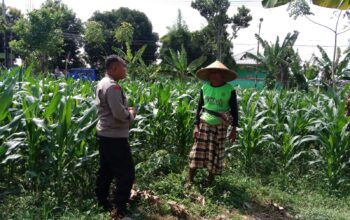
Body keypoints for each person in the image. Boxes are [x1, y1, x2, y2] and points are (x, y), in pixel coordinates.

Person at [95, 55, 136, 217]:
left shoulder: (102, 83)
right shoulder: (112, 87)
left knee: (106, 170)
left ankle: (102, 201)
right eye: (123, 67)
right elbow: (119, 114)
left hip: (105, 134)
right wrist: (131, 114)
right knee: (127, 173)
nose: (125, 70)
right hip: (114, 136)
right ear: (114, 69)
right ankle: (119, 208)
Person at [188, 60, 238, 186]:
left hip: (221, 124)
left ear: (222, 75)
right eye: (212, 73)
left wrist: (234, 129)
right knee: (197, 152)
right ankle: (190, 180)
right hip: (204, 122)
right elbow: (200, 107)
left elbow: (234, 109)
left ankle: (209, 181)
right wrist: (196, 125)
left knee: (216, 152)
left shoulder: (229, 89)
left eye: (217, 73)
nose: (214, 76)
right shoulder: (204, 87)